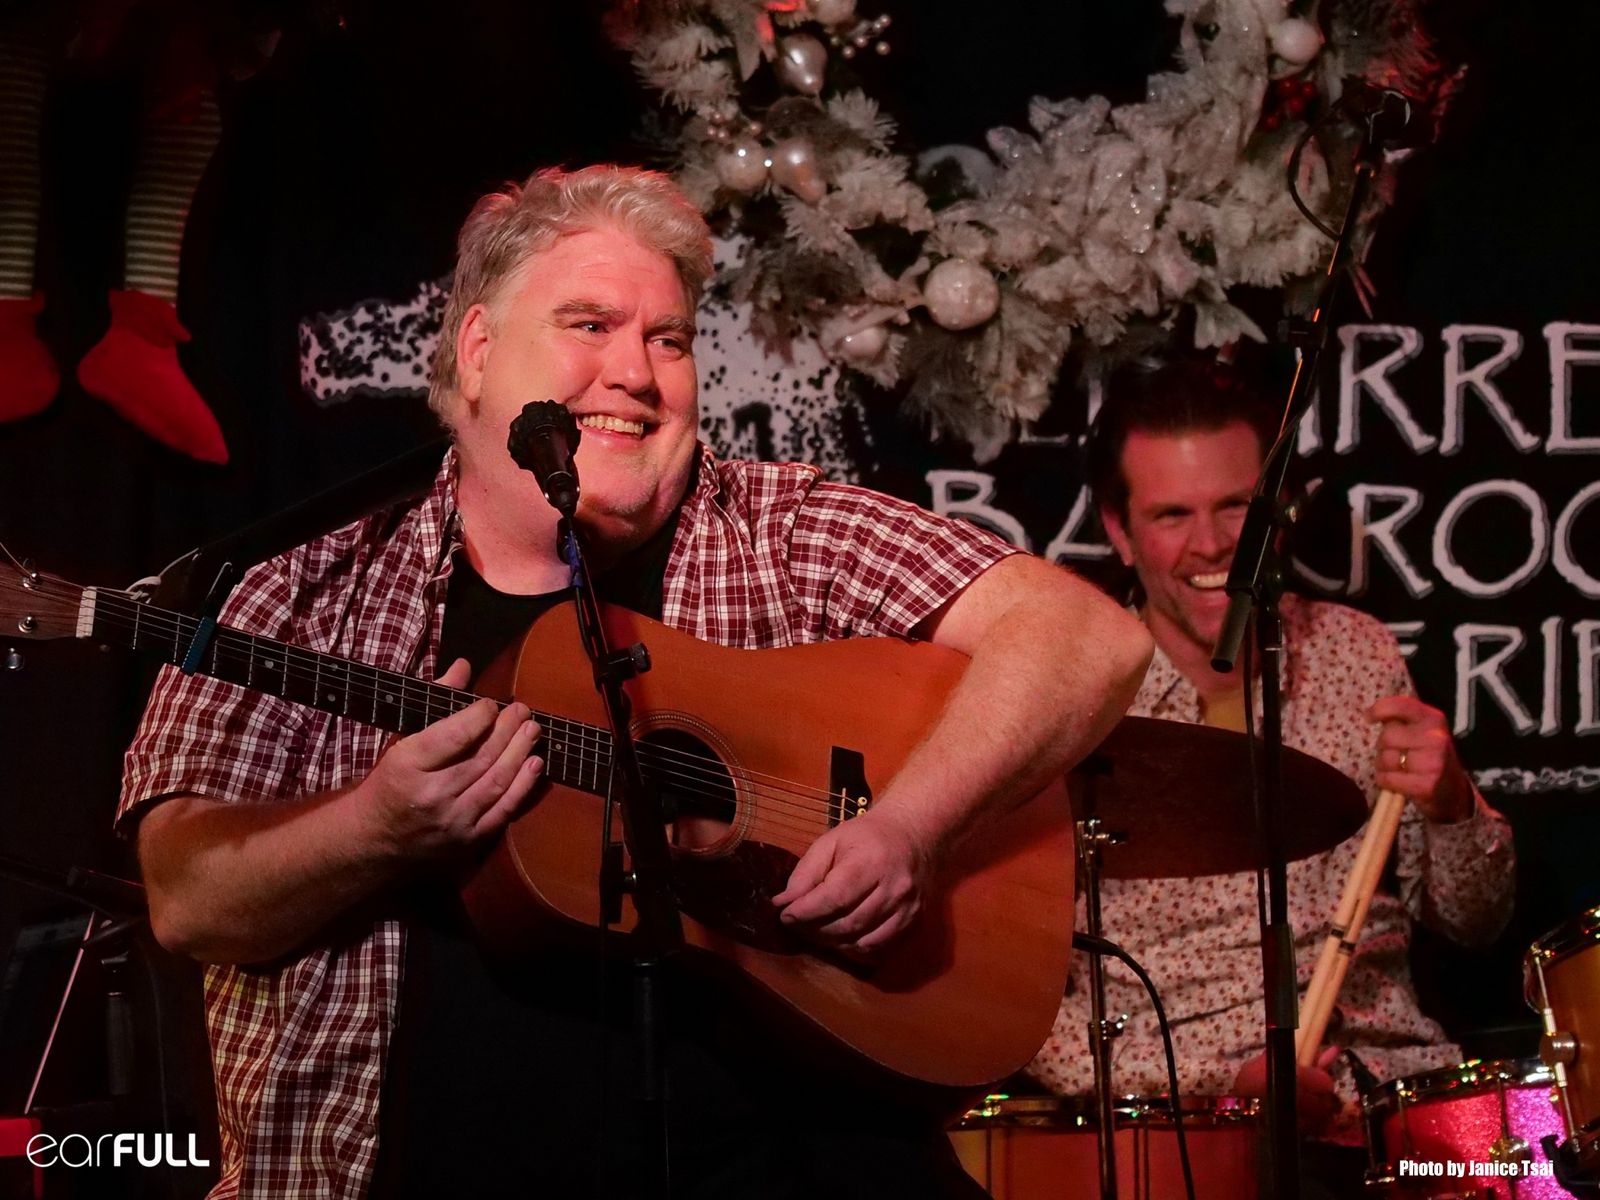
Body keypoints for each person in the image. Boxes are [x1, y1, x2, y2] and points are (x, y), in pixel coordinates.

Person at [117, 165, 1153, 1200]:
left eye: (669, 340)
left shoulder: (784, 532)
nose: (636, 375)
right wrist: (375, 827)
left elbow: (1085, 639)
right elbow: (186, 897)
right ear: (477, 351)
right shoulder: (298, 594)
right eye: (589, 325)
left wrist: (912, 827)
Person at [1026, 361, 1516, 1187]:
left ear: (1278, 508)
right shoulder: (1064, 694)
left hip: (1389, 1094)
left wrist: (1452, 805)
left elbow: (1477, 923)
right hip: (1177, 1126)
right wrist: (1209, 1084)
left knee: (1536, 1164)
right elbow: (1020, 1002)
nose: (1214, 544)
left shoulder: (1355, 652)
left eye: (1236, 507)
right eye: (1172, 515)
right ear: (1119, 529)